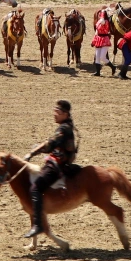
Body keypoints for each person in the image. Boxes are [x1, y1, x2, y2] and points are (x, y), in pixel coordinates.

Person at [22, 100, 77, 239]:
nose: (54, 114)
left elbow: (50, 144)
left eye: (57, 112)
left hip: (58, 165)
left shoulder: (63, 129)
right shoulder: (67, 126)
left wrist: (31, 153)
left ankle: (38, 225)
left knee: (35, 188)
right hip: (60, 161)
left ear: (65, 114)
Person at [91, 8, 113, 76]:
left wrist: (103, 12)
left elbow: (102, 21)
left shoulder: (105, 21)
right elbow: (96, 32)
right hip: (98, 39)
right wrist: (93, 40)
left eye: (101, 15)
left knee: (102, 57)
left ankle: (113, 67)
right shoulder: (98, 22)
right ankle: (98, 72)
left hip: (105, 39)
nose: (100, 15)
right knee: (97, 57)